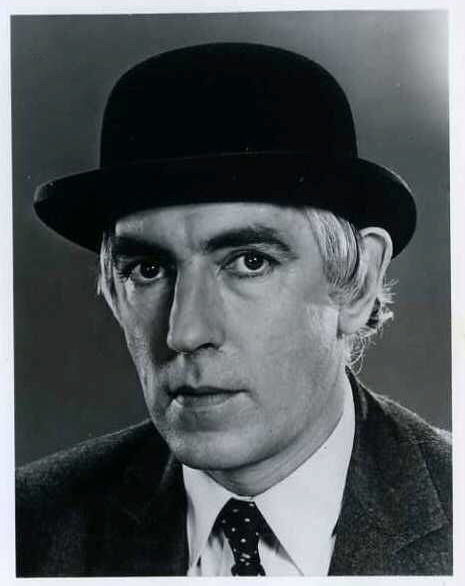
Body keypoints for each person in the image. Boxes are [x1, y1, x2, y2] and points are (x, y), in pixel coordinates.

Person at [16, 42, 451, 577]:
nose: (184, 331)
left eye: (250, 262)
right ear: (111, 289)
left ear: (358, 283)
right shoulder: (26, 528)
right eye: (148, 269)